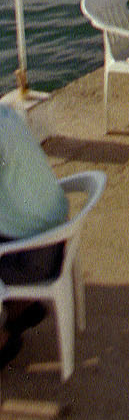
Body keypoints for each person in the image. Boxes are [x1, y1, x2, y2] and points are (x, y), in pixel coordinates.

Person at [0, 106, 69, 364]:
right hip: (54, 239)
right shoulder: (6, 114)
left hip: (37, 259)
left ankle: (3, 340)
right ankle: (23, 306)